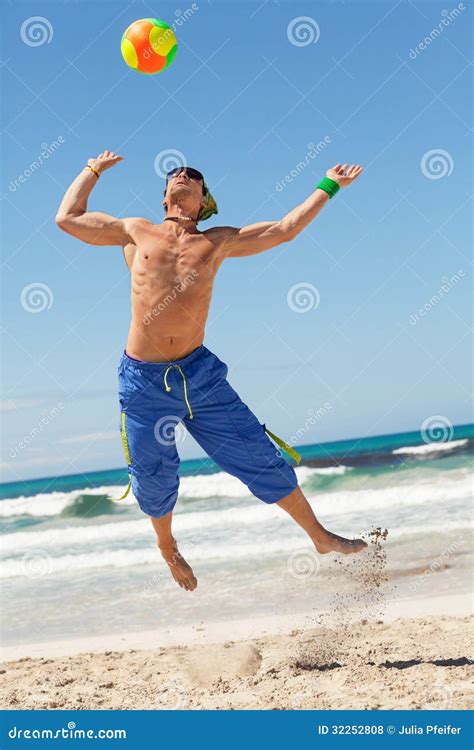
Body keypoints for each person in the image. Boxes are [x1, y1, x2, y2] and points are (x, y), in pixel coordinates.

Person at [56, 152, 366, 591]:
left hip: (200, 376)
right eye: (175, 175)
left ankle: (319, 536)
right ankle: (168, 548)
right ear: (166, 195)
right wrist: (91, 170)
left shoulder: (218, 241)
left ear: (204, 201)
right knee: (153, 475)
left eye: (194, 177)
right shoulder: (134, 231)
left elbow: (285, 229)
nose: (183, 175)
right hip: (143, 383)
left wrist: (329, 186)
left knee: (258, 455)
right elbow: (67, 219)